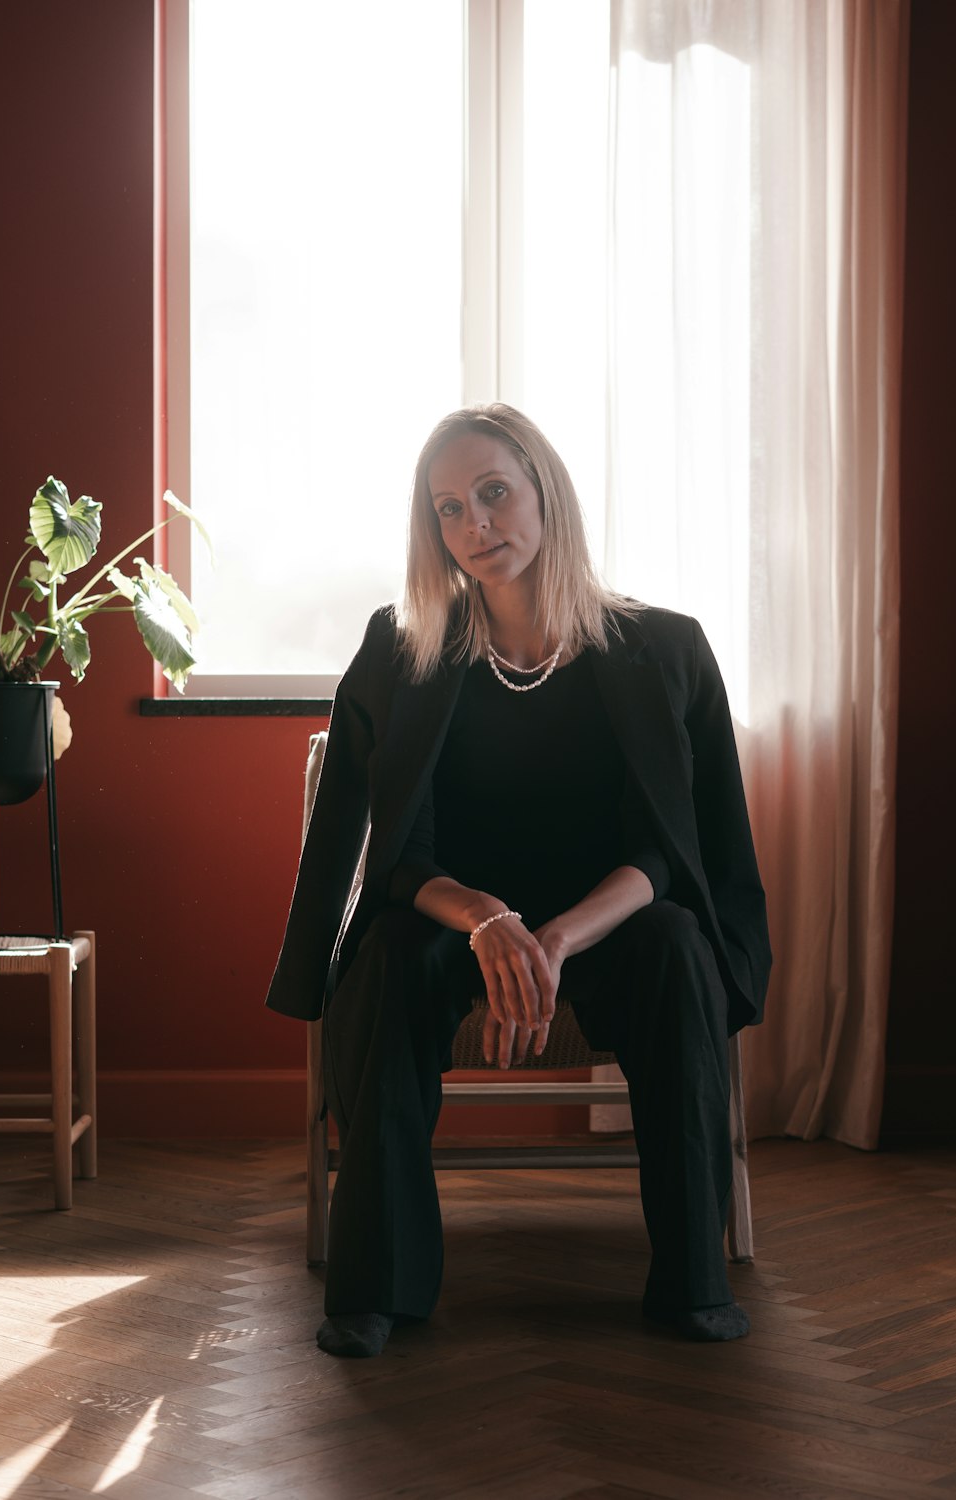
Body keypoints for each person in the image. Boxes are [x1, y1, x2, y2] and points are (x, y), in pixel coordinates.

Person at [266, 403, 771, 1359]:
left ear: (547, 491)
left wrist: (558, 937)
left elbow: (673, 853)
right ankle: (377, 1288)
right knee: (385, 962)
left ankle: (692, 1282)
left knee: (679, 948)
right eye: (450, 508)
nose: (476, 526)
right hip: (453, 919)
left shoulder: (663, 647)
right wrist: (489, 919)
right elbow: (397, 851)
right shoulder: (404, 646)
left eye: (494, 493)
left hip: (612, 923)